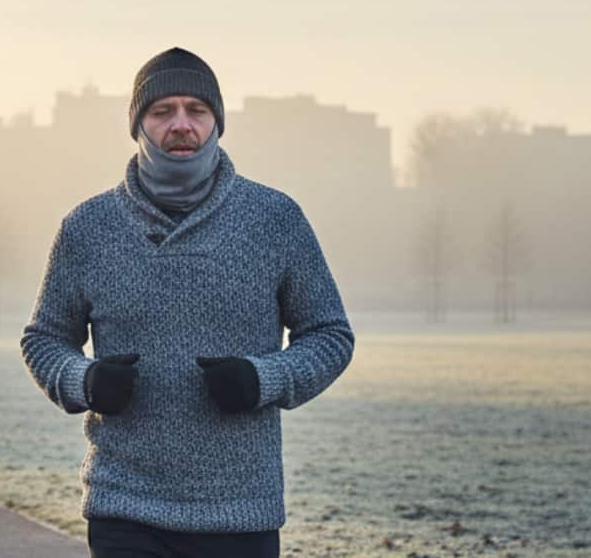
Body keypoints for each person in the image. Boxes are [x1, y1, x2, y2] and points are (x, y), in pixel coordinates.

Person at [20, 47, 355, 558]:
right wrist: (83, 380)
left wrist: (262, 378)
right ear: (138, 124)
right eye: (162, 111)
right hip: (124, 507)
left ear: (216, 122)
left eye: (196, 110)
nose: (181, 125)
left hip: (241, 509)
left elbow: (330, 335)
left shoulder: (274, 219)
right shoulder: (88, 228)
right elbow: (44, 338)